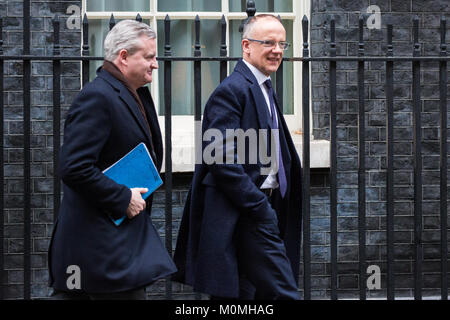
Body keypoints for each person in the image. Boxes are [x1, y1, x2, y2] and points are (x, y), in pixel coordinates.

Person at [173, 14, 302, 299]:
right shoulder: (231, 90)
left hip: (264, 208)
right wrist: (258, 205)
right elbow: (220, 158)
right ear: (246, 46)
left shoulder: (263, 86)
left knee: (246, 294)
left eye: (282, 43)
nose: (277, 50)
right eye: (268, 42)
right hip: (246, 212)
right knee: (283, 292)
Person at [48, 20, 176, 300]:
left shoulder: (137, 92)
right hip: (99, 247)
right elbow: (73, 168)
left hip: (115, 246)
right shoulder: (97, 97)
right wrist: (122, 198)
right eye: (149, 57)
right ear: (123, 57)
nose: (155, 64)